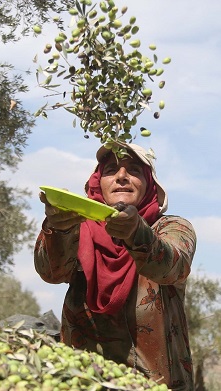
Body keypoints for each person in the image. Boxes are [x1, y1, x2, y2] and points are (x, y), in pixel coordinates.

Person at [34, 143, 197, 390]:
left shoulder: (172, 228)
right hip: (83, 381)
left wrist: (136, 234)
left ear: (149, 184)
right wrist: (58, 228)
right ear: (98, 182)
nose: (122, 176)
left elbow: (172, 265)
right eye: (111, 170)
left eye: (134, 170)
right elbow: (50, 272)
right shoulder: (77, 229)